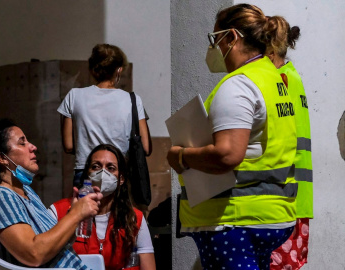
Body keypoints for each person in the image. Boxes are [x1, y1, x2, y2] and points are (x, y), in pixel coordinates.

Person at [167, 4, 298, 270]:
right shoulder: (274, 79)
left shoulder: (238, 85)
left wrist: (180, 155)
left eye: (215, 38)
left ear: (232, 37)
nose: (213, 47)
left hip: (234, 220)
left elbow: (228, 154)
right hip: (273, 216)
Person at [0, 119, 103, 269]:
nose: (33, 147)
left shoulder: (24, 191)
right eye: (22, 143)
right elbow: (34, 254)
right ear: (2, 158)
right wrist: (75, 215)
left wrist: (77, 215)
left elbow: (54, 245)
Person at [58, 44, 152, 187]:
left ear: (93, 69)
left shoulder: (74, 96)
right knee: (118, 210)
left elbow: (69, 146)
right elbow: (145, 147)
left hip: (85, 171)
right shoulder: (133, 100)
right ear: (119, 70)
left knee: (86, 209)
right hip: (118, 173)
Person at [49, 144, 156, 270]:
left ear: (121, 179)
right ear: (87, 174)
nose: (103, 173)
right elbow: (43, 257)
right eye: (96, 167)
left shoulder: (134, 218)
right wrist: (73, 216)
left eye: (110, 168)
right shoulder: (58, 211)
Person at [267, 22, 312, 270]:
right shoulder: (292, 77)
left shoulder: (280, 80)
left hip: (284, 199)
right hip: (294, 199)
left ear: (270, 52)